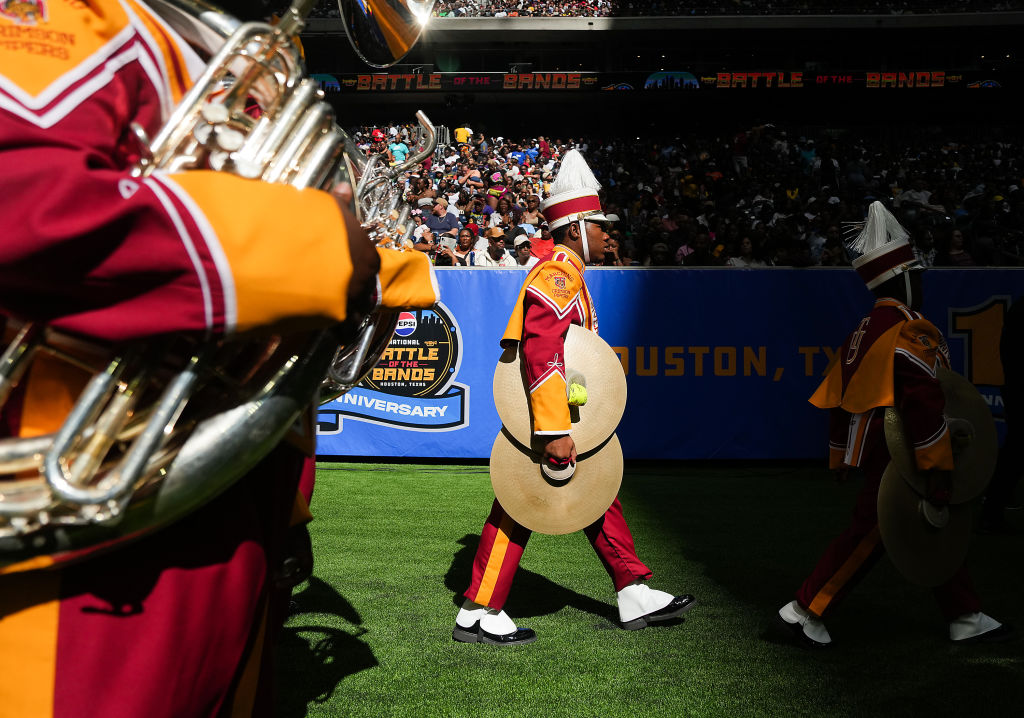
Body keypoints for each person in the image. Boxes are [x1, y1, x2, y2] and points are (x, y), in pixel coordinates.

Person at [0, 2, 438, 716]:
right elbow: (20, 200)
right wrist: (312, 250)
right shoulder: (88, 19)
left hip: (215, 531)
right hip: (83, 579)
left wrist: (286, 514)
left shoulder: (225, 55)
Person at [454, 150, 694, 645]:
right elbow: (541, 351)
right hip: (552, 418)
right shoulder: (559, 274)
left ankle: (631, 588)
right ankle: (480, 608)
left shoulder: (569, 275)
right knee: (521, 502)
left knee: (594, 492)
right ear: (574, 229)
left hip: (560, 416)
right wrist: (555, 428)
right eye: (600, 225)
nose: (610, 234)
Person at [776, 202, 1011, 649]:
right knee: (879, 529)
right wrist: (939, 473)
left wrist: (840, 456)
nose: (923, 282)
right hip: (903, 452)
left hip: (877, 449)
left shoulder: (862, 329)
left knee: (923, 526)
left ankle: (965, 615)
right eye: (917, 275)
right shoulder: (908, 330)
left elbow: (839, 399)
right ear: (902, 278)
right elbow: (923, 405)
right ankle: (803, 612)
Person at [979, 297, 1024, 532]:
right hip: (1017, 386)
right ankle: (992, 508)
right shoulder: (1020, 309)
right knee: (1015, 451)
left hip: (1014, 386)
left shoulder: (1019, 307)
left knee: (1014, 451)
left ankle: (993, 507)